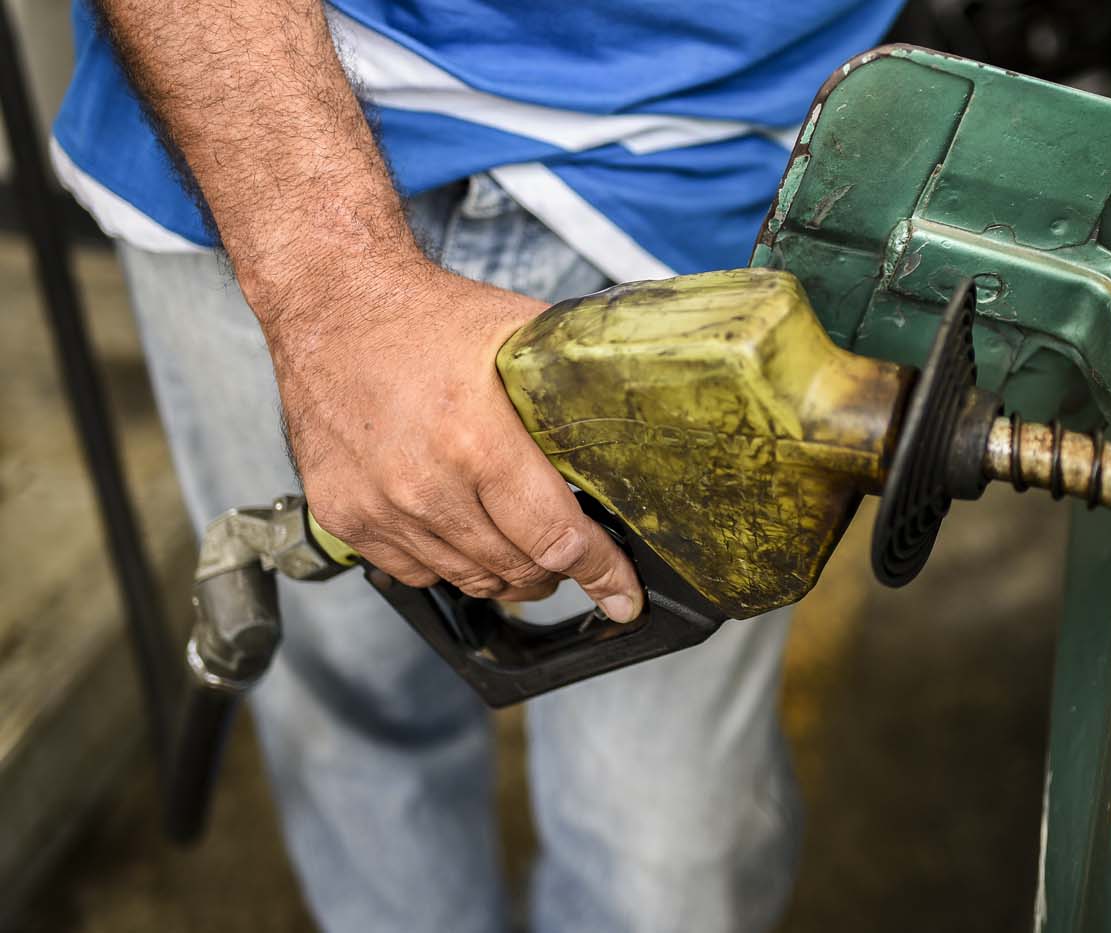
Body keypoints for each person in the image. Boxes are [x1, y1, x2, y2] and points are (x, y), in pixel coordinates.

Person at [53, 2, 905, 931]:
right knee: (357, 733)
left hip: (715, 149)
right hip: (255, 124)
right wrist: (330, 289)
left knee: (666, 846)